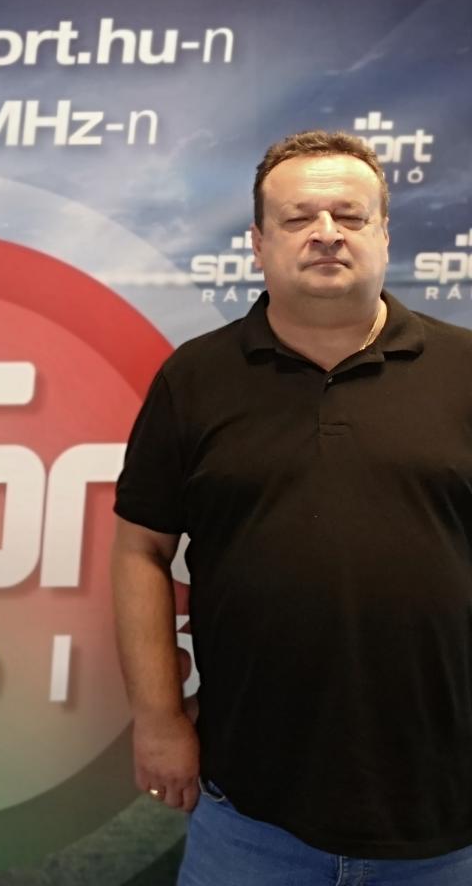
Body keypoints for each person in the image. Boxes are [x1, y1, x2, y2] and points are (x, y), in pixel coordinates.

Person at [112, 130, 472, 884]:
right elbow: (140, 549)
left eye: (350, 215)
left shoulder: (465, 370)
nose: (326, 233)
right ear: (258, 243)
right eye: (299, 217)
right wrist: (158, 718)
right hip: (250, 819)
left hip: (450, 822)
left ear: (384, 234)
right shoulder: (195, 379)